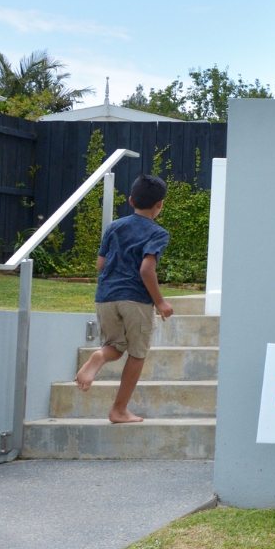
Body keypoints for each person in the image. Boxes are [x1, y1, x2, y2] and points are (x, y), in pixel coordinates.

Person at [73, 174, 174, 423]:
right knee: (137, 354)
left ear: (130, 200)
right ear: (160, 204)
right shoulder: (158, 233)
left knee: (114, 347)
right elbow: (146, 270)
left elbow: (100, 264)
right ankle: (119, 410)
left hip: (105, 297)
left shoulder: (114, 227)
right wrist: (160, 302)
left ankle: (100, 356)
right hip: (136, 300)